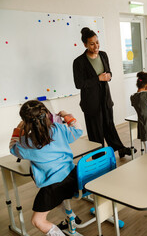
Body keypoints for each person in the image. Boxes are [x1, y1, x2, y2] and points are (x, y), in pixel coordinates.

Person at [9, 100, 83, 236]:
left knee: (37, 221)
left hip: (54, 186)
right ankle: (70, 216)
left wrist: (20, 128)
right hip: (74, 177)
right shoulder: (59, 129)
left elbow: (12, 147)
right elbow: (78, 130)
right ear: (47, 115)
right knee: (60, 197)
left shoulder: (26, 143)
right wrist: (66, 115)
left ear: (26, 122)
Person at [73, 27, 134, 158]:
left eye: (97, 42)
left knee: (109, 127)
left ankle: (120, 149)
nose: (96, 46)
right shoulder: (79, 62)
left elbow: (109, 72)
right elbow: (79, 84)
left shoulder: (103, 55)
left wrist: (108, 76)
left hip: (105, 99)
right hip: (91, 103)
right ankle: (99, 157)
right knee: (96, 132)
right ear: (85, 44)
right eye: (92, 43)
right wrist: (98, 78)